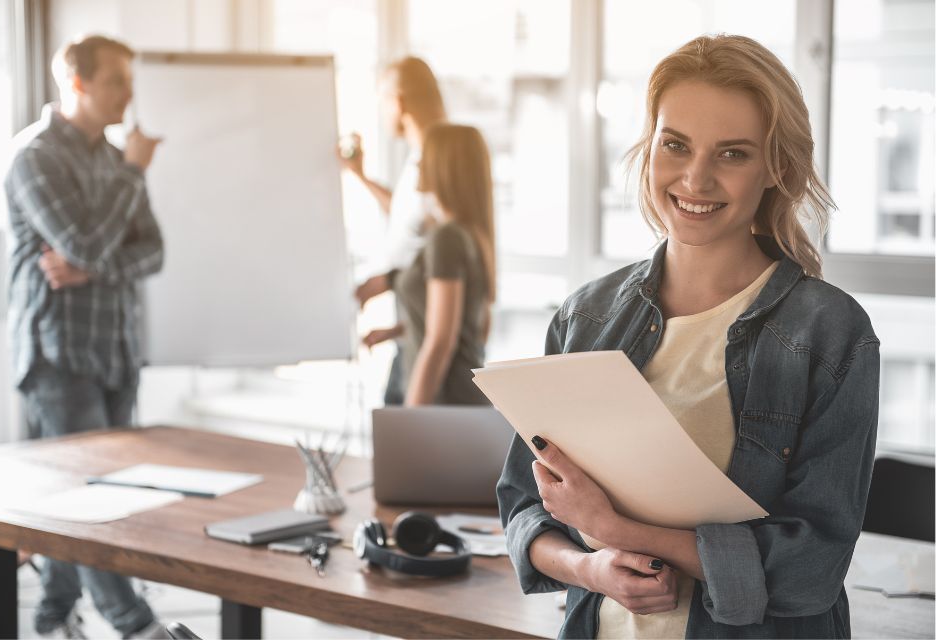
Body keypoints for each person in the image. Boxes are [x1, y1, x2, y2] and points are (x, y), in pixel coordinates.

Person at [497, 34, 879, 639]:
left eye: (732, 154)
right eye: (675, 144)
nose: (695, 179)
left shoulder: (830, 333)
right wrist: (590, 568)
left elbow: (810, 569)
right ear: (649, 147)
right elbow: (524, 508)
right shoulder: (586, 317)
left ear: (776, 166)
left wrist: (622, 532)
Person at [5, 35, 167, 639]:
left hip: (117, 348)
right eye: (118, 81)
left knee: (98, 497)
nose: (130, 93)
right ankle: (135, 624)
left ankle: (51, 618)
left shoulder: (111, 156)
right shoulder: (35, 156)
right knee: (88, 501)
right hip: (59, 355)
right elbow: (88, 242)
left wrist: (93, 266)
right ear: (78, 83)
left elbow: (153, 250)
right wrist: (131, 174)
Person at [339, 56, 447, 405]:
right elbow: (409, 218)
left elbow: (441, 253)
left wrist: (385, 281)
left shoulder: (436, 163)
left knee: (405, 446)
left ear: (398, 102)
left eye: (383, 100)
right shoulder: (420, 158)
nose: (383, 112)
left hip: (432, 349)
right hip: (414, 333)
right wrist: (360, 175)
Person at [364, 124, 496, 406]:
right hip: (456, 400)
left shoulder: (446, 238)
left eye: (425, 156)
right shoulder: (468, 233)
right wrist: (398, 330)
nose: (418, 163)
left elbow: (440, 342)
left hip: (444, 401)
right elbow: (463, 322)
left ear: (444, 167)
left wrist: (412, 417)